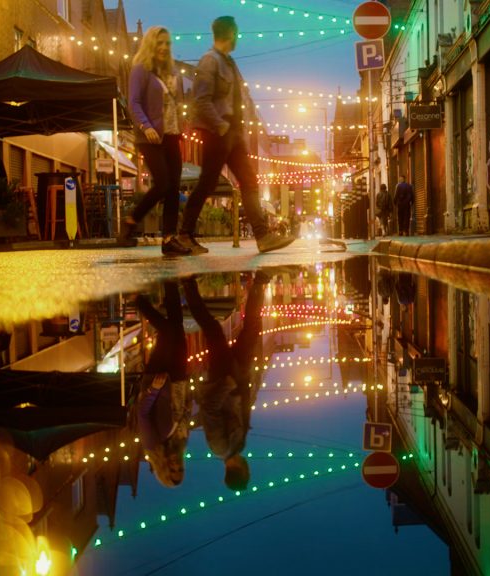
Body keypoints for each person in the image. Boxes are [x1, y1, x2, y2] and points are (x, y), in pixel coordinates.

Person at [180, 16, 294, 254]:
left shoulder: (229, 63)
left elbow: (238, 98)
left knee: (249, 181)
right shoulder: (209, 61)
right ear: (230, 33)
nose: (238, 37)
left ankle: (263, 236)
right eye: (236, 33)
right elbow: (200, 100)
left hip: (233, 133)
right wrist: (220, 125)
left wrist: (239, 129)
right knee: (207, 183)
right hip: (217, 132)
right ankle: (184, 235)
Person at [185, 271, 268, 491]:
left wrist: (227, 384)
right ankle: (260, 282)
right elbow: (241, 410)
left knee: (212, 329)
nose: (249, 468)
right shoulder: (238, 445)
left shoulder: (219, 447)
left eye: (247, 471)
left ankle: (188, 285)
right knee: (251, 329)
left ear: (241, 471)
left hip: (224, 378)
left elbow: (209, 409)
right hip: (240, 377)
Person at [120, 26, 191, 255]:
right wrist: (146, 126)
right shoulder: (140, 69)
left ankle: (169, 239)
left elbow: (177, 104)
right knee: (162, 183)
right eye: (159, 43)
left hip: (171, 134)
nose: (163, 47)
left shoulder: (173, 72)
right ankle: (132, 220)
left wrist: (183, 125)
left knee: (174, 188)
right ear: (151, 44)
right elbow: (134, 102)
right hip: (149, 137)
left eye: (167, 43)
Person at [135, 281, 193, 487]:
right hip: (178, 380)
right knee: (177, 326)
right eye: (180, 469)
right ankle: (170, 281)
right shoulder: (181, 443)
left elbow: (142, 414)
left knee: (168, 332)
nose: (176, 466)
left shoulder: (153, 445)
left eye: (172, 470)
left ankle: (137, 300)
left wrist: (154, 390)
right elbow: (184, 413)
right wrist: (189, 399)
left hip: (157, 379)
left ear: (163, 469)